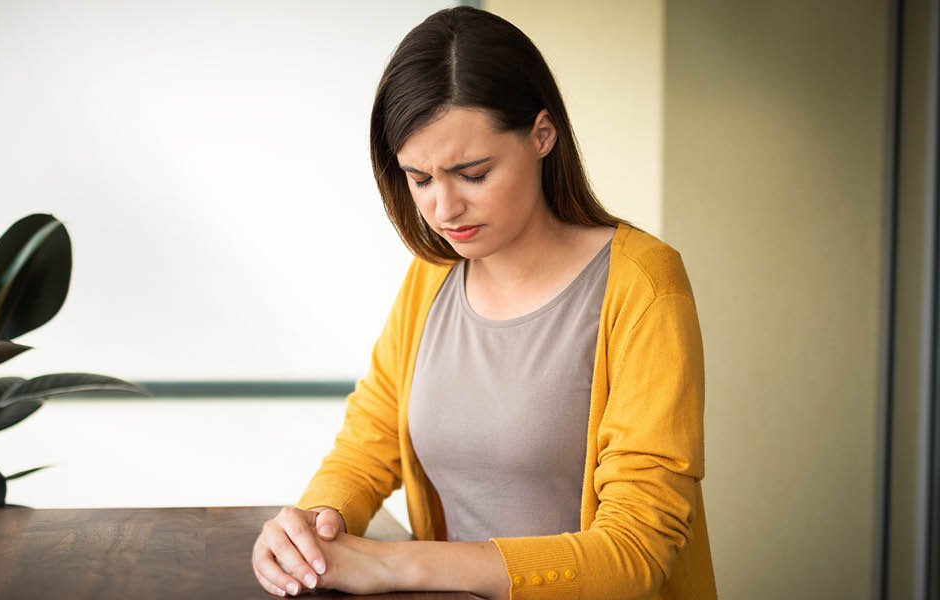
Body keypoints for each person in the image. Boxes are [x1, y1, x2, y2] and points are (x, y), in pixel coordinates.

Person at [251, 6, 716, 599]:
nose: (444, 210)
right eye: (420, 179)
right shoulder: (433, 276)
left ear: (542, 135)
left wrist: (397, 565)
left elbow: (635, 550)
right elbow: (368, 443)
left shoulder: (644, 285)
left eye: (471, 173)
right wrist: (314, 528)